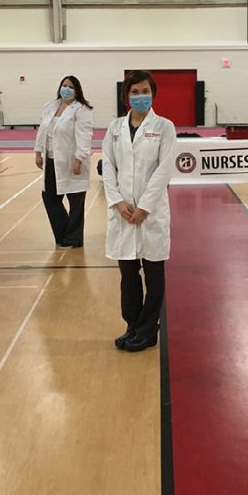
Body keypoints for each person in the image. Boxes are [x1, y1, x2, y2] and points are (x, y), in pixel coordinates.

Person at [102, 70, 176, 352]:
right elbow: (108, 166)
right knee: (128, 276)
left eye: (145, 91)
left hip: (150, 214)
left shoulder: (165, 127)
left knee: (154, 277)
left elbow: (164, 169)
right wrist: (118, 202)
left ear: (153, 94)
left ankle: (147, 330)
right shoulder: (115, 128)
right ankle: (133, 326)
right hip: (123, 213)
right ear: (126, 97)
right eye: (135, 92)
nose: (140, 96)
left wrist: (144, 207)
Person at [33, 76, 94, 248]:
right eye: (64, 85)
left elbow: (84, 136)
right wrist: (38, 152)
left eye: (70, 87)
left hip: (73, 162)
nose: (66, 89)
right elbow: (42, 131)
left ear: (77, 91)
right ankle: (63, 235)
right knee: (49, 197)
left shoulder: (82, 109)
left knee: (76, 203)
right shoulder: (50, 107)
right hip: (52, 161)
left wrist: (79, 159)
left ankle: (73, 239)